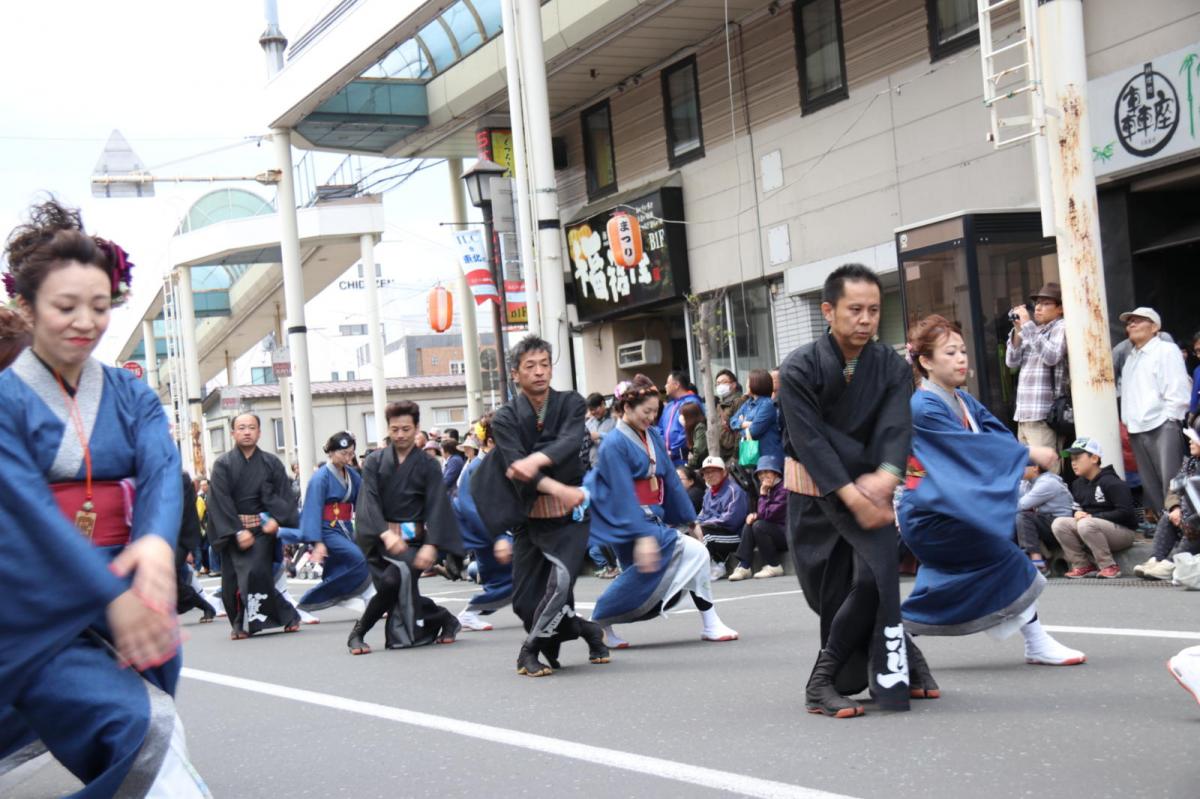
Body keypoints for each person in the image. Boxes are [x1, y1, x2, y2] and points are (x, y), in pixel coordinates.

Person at [0, 202, 208, 795]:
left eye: (99, 306)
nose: (85, 322)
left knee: (139, 723)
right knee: (140, 731)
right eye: (66, 307)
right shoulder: (6, 400)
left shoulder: (129, 393)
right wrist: (110, 598)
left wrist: (154, 544)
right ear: (27, 307)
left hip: (127, 579)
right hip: (40, 595)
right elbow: (27, 511)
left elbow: (162, 469)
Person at [778, 263, 931, 718]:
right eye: (855, 309)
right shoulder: (800, 368)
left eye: (873, 310)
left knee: (872, 580)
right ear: (828, 310)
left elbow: (895, 425)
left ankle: (820, 683)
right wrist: (851, 496)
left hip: (873, 492)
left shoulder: (889, 365)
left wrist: (886, 476)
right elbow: (810, 441)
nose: (866, 319)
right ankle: (911, 660)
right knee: (830, 594)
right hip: (816, 499)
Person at [897, 314, 1085, 670]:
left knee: (953, 583)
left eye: (963, 351)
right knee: (1008, 560)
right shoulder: (923, 406)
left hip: (951, 510)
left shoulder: (964, 401)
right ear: (925, 361)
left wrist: (1017, 453)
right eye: (950, 352)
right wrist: (1027, 453)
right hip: (930, 515)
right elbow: (967, 450)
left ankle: (895, 634)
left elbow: (995, 435)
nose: (961, 358)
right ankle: (1036, 642)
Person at [469, 335, 607, 677]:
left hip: (569, 516)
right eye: (530, 366)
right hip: (530, 516)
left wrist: (538, 462)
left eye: (545, 364)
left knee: (558, 584)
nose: (539, 372)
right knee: (526, 601)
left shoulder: (572, 402)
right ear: (515, 373)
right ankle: (589, 631)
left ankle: (527, 653)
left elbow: (570, 441)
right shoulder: (504, 418)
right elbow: (517, 470)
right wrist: (552, 483)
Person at [586, 375, 739, 649]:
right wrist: (642, 534)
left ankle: (602, 623)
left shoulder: (653, 435)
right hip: (629, 521)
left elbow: (669, 477)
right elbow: (621, 492)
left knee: (645, 573)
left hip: (651, 515)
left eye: (655, 412)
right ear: (627, 408)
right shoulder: (613, 444)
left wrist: (689, 519)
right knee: (693, 554)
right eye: (646, 412)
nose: (651, 417)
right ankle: (600, 617)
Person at [348, 400, 464, 654]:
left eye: (406, 429)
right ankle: (443, 617)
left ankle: (359, 632)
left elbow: (437, 505)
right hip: (381, 539)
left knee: (392, 582)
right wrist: (385, 533)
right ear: (388, 429)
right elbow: (369, 503)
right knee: (396, 589)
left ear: (417, 429)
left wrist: (432, 544)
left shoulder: (428, 464)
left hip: (413, 543)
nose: (400, 435)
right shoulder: (375, 462)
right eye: (395, 429)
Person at [208, 413, 302, 638]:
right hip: (232, 530)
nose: (247, 432)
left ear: (259, 432)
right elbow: (219, 501)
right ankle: (287, 615)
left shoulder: (271, 463)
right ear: (233, 433)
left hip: (261, 530)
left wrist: (277, 521)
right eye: (241, 428)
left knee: (253, 574)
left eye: (251, 427)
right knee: (231, 583)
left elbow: (285, 496)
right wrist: (238, 530)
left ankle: (242, 625)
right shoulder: (223, 464)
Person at [289, 431, 375, 614]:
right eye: (343, 453)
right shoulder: (320, 478)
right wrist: (317, 542)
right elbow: (312, 509)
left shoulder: (352, 475)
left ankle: (351, 596)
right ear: (331, 452)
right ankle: (307, 603)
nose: (348, 457)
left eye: (351, 453)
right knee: (358, 558)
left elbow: (364, 499)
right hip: (327, 528)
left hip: (346, 527)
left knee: (340, 569)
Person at [1120, 307, 1190, 521]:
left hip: (1163, 424)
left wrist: (1171, 418)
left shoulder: (1166, 350)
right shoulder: (1131, 357)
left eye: (1139, 320)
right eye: (1129, 321)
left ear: (1155, 327)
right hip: (1137, 427)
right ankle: (1166, 531)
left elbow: (1177, 389)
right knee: (1150, 485)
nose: (1132, 324)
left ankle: (1184, 530)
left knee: (1172, 483)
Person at [454, 417, 515, 632]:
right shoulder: (478, 468)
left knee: (513, 577)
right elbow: (472, 507)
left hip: (494, 529)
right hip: (486, 531)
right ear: (489, 442)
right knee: (513, 577)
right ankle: (470, 612)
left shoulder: (487, 465)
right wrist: (499, 537)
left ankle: (550, 609)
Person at [1052, 437, 1138, 579]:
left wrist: (1093, 517)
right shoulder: (1078, 484)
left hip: (1123, 532)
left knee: (1086, 523)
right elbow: (1076, 508)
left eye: (1078, 458)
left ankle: (1109, 566)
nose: (1073, 463)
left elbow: (1126, 513)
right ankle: (1082, 565)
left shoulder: (1112, 482)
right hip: (1092, 528)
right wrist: (1077, 513)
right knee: (1059, 523)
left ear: (1094, 458)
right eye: (1072, 459)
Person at [1004, 282, 1067, 450]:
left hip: (1044, 414)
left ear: (1060, 308)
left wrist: (1027, 326)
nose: (1038, 308)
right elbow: (1011, 362)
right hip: (1024, 413)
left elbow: (1052, 356)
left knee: (1047, 472)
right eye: (1037, 303)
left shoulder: (1061, 326)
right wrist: (1018, 330)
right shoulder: (1034, 331)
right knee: (1029, 472)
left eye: (1046, 303)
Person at [1134, 425, 1200, 581]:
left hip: (1196, 520)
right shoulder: (1190, 464)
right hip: (1187, 513)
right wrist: (1176, 507)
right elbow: (1173, 489)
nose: (1190, 442)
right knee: (1168, 516)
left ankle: (1171, 563)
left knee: (1194, 523)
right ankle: (1157, 559)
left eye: (1194, 439)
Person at [729, 456, 788, 581]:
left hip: (786, 535)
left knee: (758, 525)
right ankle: (744, 565)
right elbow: (764, 514)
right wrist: (756, 515)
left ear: (776, 473)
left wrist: (762, 495)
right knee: (750, 523)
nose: (763, 476)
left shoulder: (783, 489)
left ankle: (773, 565)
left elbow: (769, 515)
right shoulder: (769, 488)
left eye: (767, 472)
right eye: (760, 473)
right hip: (775, 532)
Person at [695, 456, 749, 581]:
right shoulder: (708, 493)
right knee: (690, 533)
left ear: (724, 472)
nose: (709, 475)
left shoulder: (734, 490)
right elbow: (701, 516)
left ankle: (717, 566)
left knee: (706, 536)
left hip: (735, 535)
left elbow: (731, 519)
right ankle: (713, 564)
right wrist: (696, 524)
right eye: (706, 473)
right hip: (717, 533)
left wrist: (705, 523)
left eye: (713, 471)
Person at [1016, 461, 1074, 575]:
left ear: (1035, 468)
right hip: (1047, 522)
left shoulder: (1047, 482)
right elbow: (1010, 496)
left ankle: (1037, 562)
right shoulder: (1028, 482)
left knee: (1022, 516)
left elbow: (1020, 505)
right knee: (1013, 518)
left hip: (1062, 525)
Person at [176, 471, 217, 623]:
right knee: (174, 580)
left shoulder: (180, 479)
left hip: (180, 538)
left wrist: (188, 547)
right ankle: (206, 606)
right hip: (161, 537)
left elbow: (188, 516)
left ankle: (206, 606)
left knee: (172, 578)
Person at [730, 368, 783, 466]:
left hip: (768, 456)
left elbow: (753, 431)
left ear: (756, 384)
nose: (746, 385)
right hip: (755, 455)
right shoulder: (748, 402)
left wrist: (742, 427)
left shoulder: (767, 404)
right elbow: (732, 422)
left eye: (748, 382)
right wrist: (745, 424)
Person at [658, 371, 704, 466]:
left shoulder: (692, 403)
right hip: (668, 458)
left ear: (676, 385)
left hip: (684, 458)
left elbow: (688, 430)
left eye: (667, 383)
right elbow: (660, 428)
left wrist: (674, 450)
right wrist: (664, 449)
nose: (665, 386)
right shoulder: (668, 406)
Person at [715, 369, 747, 462]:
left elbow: (740, 431)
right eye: (717, 383)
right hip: (723, 454)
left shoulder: (739, 401)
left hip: (733, 454)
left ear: (733, 385)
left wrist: (735, 456)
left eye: (723, 382)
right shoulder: (721, 404)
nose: (720, 386)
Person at [681, 401, 708, 470]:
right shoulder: (693, 429)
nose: (681, 419)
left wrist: (691, 463)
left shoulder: (700, 427)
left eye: (683, 416)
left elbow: (699, 449)